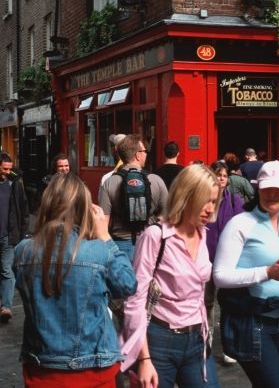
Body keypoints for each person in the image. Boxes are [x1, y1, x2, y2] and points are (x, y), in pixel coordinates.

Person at [13, 173, 137, 388]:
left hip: (42, 370)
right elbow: (128, 284)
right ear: (84, 209)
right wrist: (105, 237)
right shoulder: (98, 251)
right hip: (94, 371)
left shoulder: (23, 253)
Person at [213, 160, 279, 388]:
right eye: (266, 188)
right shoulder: (240, 224)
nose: (271, 194)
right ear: (257, 187)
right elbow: (220, 276)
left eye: (278, 190)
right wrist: (266, 273)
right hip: (252, 320)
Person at [120, 164, 222, 388]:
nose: (210, 209)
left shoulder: (202, 233)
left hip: (197, 338)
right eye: (205, 200)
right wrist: (144, 358)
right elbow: (135, 300)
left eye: (214, 201)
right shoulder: (156, 236)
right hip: (159, 342)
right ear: (186, 196)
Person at [98, 134, 168, 260]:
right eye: (144, 151)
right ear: (138, 155)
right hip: (149, 242)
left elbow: (103, 223)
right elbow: (168, 216)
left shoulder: (109, 182)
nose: (146, 154)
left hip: (119, 244)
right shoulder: (156, 180)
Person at [205, 161, 244, 365]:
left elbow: (240, 227)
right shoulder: (205, 200)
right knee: (207, 303)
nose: (221, 178)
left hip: (229, 259)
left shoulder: (234, 200)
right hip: (207, 258)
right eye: (218, 174)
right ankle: (206, 342)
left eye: (224, 175)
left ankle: (229, 346)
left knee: (229, 304)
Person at [0, 152, 29, 323]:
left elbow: (24, 209)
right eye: (4, 169)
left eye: (10, 169)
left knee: (6, 270)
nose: (7, 172)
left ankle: (7, 306)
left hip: (8, 235)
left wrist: (21, 232)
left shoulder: (14, 183)